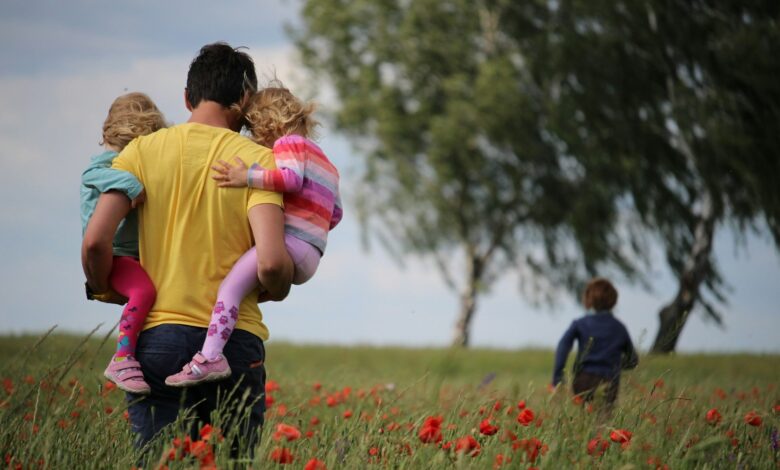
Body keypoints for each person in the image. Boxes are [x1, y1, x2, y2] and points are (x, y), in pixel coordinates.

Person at [81, 42, 294, 451]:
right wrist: (279, 286)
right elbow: (270, 262)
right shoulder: (258, 162)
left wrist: (105, 285)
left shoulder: (139, 153)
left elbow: (94, 241)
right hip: (234, 344)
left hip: (156, 338)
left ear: (186, 97)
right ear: (245, 101)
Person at [165, 84, 343, 387]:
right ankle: (219, 342)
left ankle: (210, 357)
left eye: (253, 129)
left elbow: (289, 179)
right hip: (312, 253)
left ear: (268, 123)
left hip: (290, 244)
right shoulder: (327, 163)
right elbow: (335, 214)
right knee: (245, 288)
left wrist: (245, 177)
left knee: (229, 289)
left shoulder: (288, 144)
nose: (254, 139)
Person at [80, 92, 166, 394]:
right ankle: (122, 357)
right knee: (144, 291)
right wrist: (132, 185)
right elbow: (94, 175)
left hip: (129, 255)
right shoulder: (107, 165)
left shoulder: (120, 161)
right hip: (115, 255)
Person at [551, 277, 638, 409]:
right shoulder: (619, 327)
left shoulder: (580, 324)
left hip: (583, 379)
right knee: (604, 420)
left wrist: (558, 378)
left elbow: (563, 346)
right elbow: (633, 360)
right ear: (613, 301)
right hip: (609, 381)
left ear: (588, 299)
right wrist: (615, 365)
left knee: (583, 419)